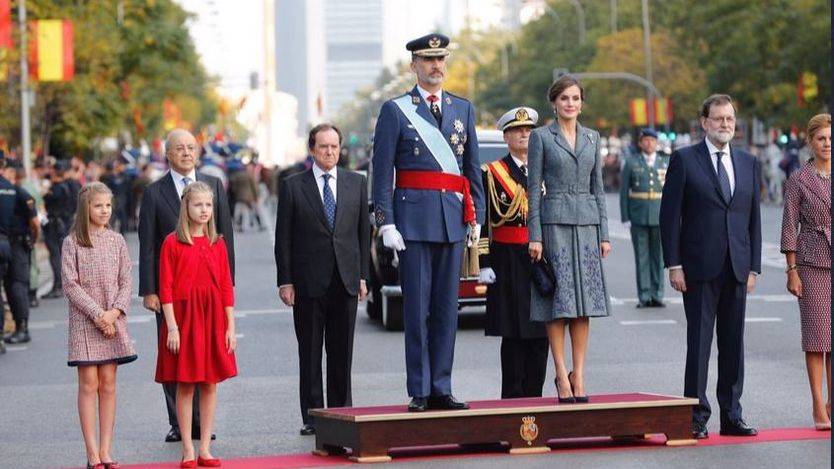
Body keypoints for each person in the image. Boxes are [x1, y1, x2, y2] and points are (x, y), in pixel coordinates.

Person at [372, 33, 485, 412]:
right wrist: (385, 221)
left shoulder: (463, 108)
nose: (436, 66)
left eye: (441, 59)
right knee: (416, 310)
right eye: (428, 60)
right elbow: (382, 169)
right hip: (413, 223)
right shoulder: (396, 110)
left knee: (446, 310)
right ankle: (419, 389)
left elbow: (471, 168)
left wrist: (478, 217)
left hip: (452, 220)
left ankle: (442, 386)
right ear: (414, 65)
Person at [659, 94, 761, 439]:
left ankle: (732, 415)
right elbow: (670, 217)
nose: (725, 125)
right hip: (698, 267)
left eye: (730, 119)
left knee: (734, 345)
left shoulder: (748, 162)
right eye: (718, 119)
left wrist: (754, 267)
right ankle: (696, 416)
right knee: (700, 344)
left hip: (737, 266)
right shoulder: (685, 160)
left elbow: (753, 220)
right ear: (704, 123)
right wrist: (674, 264)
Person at [138, 129, 235, 443]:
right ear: (167, 154)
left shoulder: (214, 186)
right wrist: (149, 290)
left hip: (208, 290)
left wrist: (227, 286)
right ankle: (179, 424)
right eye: (178, 148)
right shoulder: (154, 193)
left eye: (191, 147)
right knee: (174, 353)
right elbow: (148, 245)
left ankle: (202, 426)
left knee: (205, 356)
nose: (185, 152)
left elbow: (225, 239)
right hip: (171, 292)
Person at [275, 124, 369, 435]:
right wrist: (285, 280)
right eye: (323, 146)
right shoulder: (292, 186)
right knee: (311, 352)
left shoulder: (356, 183)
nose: (329, 152)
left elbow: (362, 234)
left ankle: (341, 412)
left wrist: (363, 277)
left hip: (345, 279)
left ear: (340, 149)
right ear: (312, 149)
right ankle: (313, 416)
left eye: (334, 146)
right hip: (307, 281)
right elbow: (283, 238)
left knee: (342, 352)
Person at [527, 75, 611, 404]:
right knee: (558, 302)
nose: (570, 104)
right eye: (564, 99)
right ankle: (561, 374)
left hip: (587, 227)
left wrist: (604, 233)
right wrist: (535, 236)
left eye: (575, 98)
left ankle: (580, 375)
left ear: (582, 103)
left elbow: (599, 188)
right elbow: (533, 190)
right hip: (554, 226)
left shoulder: (593, 137)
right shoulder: (541, 138)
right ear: (554, 103)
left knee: (583, 304)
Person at [155, 182, 236, 468]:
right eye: (198, 205)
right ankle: (187, 448)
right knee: (186, 383)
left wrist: (229, 326)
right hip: (184, 318)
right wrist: (173, 326)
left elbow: (226, 285)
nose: (204, 210)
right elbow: (165, 287)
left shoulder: (218, 243)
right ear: (186, 208)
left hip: (213, 317)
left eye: (208, 205)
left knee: (210, 383)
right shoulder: (171, 243)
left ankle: (205, 448)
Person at [62, 182, 137, 469]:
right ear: (85, 208)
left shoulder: (117, 240)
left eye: (108, 205)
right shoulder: (72, 243)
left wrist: (115, 312)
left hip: (112, 320)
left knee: (108, 384)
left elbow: (126, 280)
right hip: (85, 321)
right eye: (98, 206)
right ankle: (91, 452)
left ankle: (106, 449)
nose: (104, 210)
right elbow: (70, 284)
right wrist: (98, 315)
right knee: (88, 384)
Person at [478, 107, 548, 399]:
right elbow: (482, 222)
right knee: (514, 333)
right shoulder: (492, 173)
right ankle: (513, 402)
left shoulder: (546, 171)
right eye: (517, 131)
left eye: (529, 130)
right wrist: (483, 262)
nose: (524, 135)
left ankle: (536, 398)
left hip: (541, 259)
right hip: (506, 260)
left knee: (542, 331)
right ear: (506, 136)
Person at [780, 113, 831, 430]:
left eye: (832, 138)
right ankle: (817, 406)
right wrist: (791, 270)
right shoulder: (799, 180)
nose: (828, 144)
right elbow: (788, 226)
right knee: (816, 339)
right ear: (811, 142)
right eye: (823, 138)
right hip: (811, 263)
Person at [619, 128, 669, 308]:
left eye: (652, 141)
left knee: (659, 257)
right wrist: (625, 216)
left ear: (656, 143)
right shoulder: (632, 163)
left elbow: (672, 193)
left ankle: (657, 294)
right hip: (638, 215)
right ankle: (644, 295)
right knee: (642, 257)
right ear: (640, 143)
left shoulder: (666, 162)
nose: (649, 143)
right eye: (646, 140)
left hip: (660, 215)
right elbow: (624, 191)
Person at [2, 160, 39, 344]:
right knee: (13, 286)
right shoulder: (16, 192)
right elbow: (35, 224)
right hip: (16, 244)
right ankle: (19, 327)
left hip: (15, 244)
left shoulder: (19, 192)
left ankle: (22, 328)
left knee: (16, 286)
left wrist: (31, 239)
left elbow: (35, 221)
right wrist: (33, 238)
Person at [42, 160, 75, 299]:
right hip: (64, 224)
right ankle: (60, 284)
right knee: (60, 255)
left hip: (55, 224)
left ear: (54, 172)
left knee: (55, 255)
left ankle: (58, 285)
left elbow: (46, 200)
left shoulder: (55, 188)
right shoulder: (67, 187)